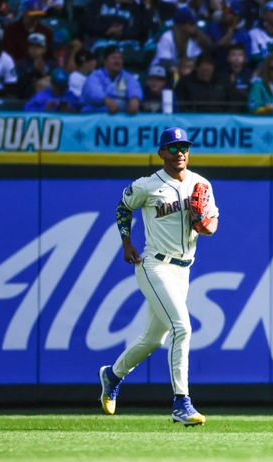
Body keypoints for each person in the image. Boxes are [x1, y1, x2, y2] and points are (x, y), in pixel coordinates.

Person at [99, 126, 220, 426]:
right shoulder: (148, 185)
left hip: (184, 270)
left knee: (155, 338)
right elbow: (123, 207)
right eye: (173, 147)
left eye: (184, 147)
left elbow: (214, 222)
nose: (180, 152)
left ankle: (112, 374)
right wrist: (126, 242)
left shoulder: (200, 183)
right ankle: (182, 403)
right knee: (183, 328)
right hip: (154, 265)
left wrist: (206, 225)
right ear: (161, 153)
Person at [81, 45, 142, 113]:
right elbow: (94, 92)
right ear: (105, 61)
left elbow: (134, 88)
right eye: (114, 58)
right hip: (97, 115)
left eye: (120, 58)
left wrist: (135, 99)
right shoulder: (95, 76)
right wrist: (106, 100)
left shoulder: (127, 77)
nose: (117, 61)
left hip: (121, 116)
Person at [173, 53, 239, 112]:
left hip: (222, 120)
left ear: (213, 68)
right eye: (203, 70)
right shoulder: (185, 82)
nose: (206, 74)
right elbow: (179, 105)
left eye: (208, 70)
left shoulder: (224, 81)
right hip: (193, 120)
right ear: (197, 68)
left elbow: (233, 103)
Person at [15, 32, 55, 99]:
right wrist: (33, 70)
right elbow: (19, 86)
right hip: (26, 100)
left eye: (38, 47)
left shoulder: (51, 64)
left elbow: (57, 83)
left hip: (48, 101)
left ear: (44, 49)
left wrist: (44, 71)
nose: (34, 49)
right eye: (32, 46)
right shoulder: (21, 64)